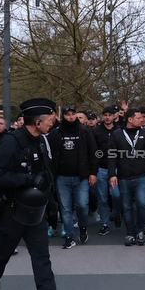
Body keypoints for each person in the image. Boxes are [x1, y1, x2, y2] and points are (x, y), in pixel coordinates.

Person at [0, 97, 69, 290]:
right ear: (37, 122)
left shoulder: (41, 141)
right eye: (50, 119)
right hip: (11, 210)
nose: (53, 122)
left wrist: (52, 207)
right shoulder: (11, 143)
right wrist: (28, 179)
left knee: (41, 255)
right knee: (1, 254)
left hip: (35, 211)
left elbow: (47, 177)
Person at [49, 105, 98, 248]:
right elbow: (50, 154)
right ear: (62, 116)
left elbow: (93, 153)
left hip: (81, 177)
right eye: (67, 114)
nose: (71, 117)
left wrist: (93, 173)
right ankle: (69, 236)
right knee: (65, 208)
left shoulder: (85, 132)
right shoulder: (56, 133)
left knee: (82, 206)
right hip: (62, 177)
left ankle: (83, 227)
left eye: (73, 114)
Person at [108, 106, 145, 246]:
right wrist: (112, 174)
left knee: (142, 203)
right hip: (124, 177)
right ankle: (130, 233)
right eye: (138, 118)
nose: (141, 120)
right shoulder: (117, 134)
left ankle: (140, 230)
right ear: (130, 119)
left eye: (142, 118)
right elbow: (111, 156)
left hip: (142, 176)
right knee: (126, 206)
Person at [92, 105, 123, 234]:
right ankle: (105, 223)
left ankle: (116, 212)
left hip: (116, 168)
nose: (107, 117)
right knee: (102, 198)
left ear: (114, 116)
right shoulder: (96, 131)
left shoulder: (119, 130)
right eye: (105, 115)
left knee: (116, 195)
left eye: (109, 115)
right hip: (101, 168)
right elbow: (93, 150)